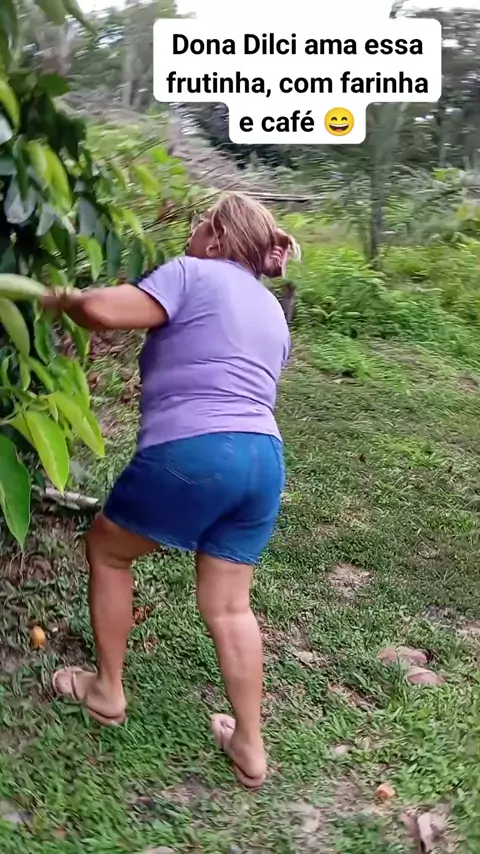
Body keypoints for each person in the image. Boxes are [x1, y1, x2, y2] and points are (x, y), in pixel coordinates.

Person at [44, 191, 299, 789]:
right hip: (264, 459)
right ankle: (250, 744)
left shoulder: (192, 272)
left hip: (195, 449)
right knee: (230, 606)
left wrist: (64, 300)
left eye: (200, 225)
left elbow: (103, 311)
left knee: (109, 551)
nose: (191, 234)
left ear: (217, 238)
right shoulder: (272, 311)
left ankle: (107, 690)